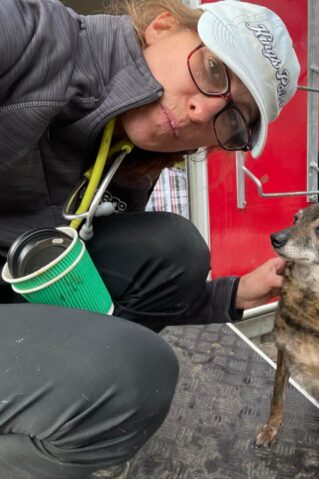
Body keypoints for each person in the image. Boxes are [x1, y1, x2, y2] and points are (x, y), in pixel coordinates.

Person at [0, 0, 300, 477]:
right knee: (130, 377)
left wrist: (233, 294)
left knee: (174, 250)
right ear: (161, 26)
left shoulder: (128, 159)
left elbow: (95, 286)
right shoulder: (32, 38)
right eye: (214, 68)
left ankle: (62, 423)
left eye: (233, 120)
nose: (204, 110)